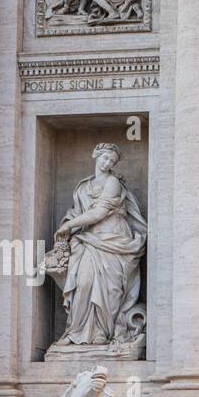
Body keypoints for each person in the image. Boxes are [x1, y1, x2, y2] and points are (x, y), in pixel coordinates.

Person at [53, 143, 148, 347]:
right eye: (105, 158)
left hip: (114, 240)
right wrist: (68, 225)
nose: (107, 163)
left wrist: (69, 225)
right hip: (89, 240)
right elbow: (77, 212)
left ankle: (102, 333)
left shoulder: (113, 182)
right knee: (84, 283)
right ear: (95, 154)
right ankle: (76, 331)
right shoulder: (83, 187)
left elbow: (98, 213)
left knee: (109, 289)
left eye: (112, 161)